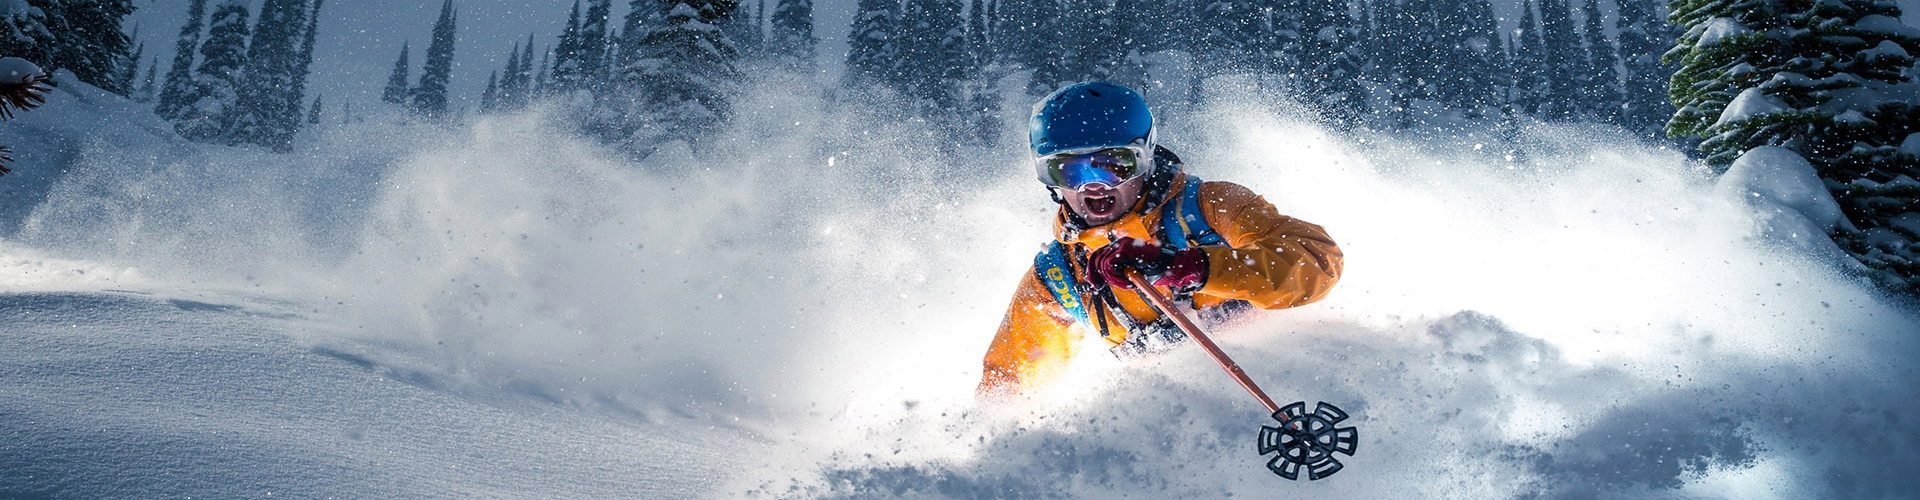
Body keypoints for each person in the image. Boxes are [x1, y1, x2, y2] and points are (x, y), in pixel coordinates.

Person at [977, 81, 1344, 396]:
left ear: (1146, 156)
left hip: (1290, 393)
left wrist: (1193, 267)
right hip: (1193, 425)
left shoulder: (1210, 210)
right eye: (1068, 170)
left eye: (1113, 165)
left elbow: (1318, 261)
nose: (1093, 186)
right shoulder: (1059, 276)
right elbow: (1007, 385)